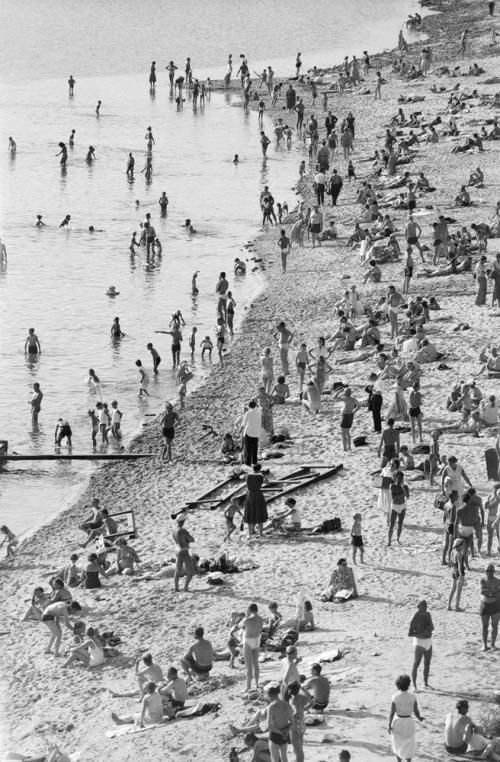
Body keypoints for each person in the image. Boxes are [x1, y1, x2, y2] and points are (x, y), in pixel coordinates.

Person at [388, 674, 424, 761]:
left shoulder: (395, 697)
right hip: (408, 721)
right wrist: (419, 718)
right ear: (408, 685)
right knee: (409, 743)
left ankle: (399, 760)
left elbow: (392, 713)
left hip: (398, 721)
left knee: (397, 742)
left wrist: (389, 725)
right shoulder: (413, 697)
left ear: (398, 685)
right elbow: (416, 711)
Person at [264, 684, 294, 762]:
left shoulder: (271, 707)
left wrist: (280, 732)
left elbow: (269, 726)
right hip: (285, 734)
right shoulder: (287, 705)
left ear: (270, 695)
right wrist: (286, 732)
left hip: (275, 735)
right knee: (284, 757)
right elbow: (292, 722)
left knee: (275, 759)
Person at [408, 601, 434, 690]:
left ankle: (425, 683)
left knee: (427, 663)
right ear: (419, 607)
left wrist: (428, 630)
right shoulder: (415, 617)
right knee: (416, 663)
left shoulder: (428, 614)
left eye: (426, 606)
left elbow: (432, 627)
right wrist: (421, 633)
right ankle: (414, 686)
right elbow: (410, 633)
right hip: (419, 642)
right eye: (424, 606)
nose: (425, 608)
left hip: (428, 641)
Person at [242, 603, 264, 691]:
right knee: (256, 663)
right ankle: (257, 684)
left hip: (248, 640)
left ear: (249, 610)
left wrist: (246, 615)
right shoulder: (261, 619)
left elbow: (239, 626)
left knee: (248, 665)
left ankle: (248, 686)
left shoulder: (247, 620)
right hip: (257, 640)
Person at [479, 563, 500, 651]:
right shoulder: (483, 580)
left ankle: (492, 644)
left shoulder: (498, 581)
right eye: (487, 571)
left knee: (494, 626)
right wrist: (492, 592)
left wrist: (489, 592)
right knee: (485, 626)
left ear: (494, 571)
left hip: (495, 605)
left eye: (490, 570)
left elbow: (499, 594)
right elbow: (482, 591)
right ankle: (484, 644)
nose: (488, 572)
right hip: (485, 605)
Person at [172, 514, 195, 592]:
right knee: (191, 572)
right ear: (183, 521)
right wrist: (187, 540)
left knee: (177, 571)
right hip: (184, 550)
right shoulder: (182, 530)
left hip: (177, 549)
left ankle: (176, 588)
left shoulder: (174, 530)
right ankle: (185, 588)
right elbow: (192, 539)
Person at [244, 464, 268, 537]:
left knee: (250, 513)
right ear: (259, 469)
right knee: (259, 512)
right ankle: (261, 533)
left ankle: (250, 533)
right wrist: (263, 475)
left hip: (250, 495)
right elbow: (267, 482)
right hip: (258, 494)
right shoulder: (260, 476)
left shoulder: (247, 475)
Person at [388, 472, 410, 546]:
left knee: (400, 524)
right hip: (395, 506)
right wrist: (402, 494)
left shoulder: (405, 487)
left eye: (401, 478)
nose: (400, 480)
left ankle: (397, 539)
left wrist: (403, 489)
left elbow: (407, 496)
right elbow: (394, 497)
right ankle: (389, 541)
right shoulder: (392, 486)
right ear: (396, 478)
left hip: (402, 506)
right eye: (399, 478)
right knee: (392, 524)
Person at [448, 538, 467, 611]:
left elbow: (450, 562)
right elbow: (460, 566)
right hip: (459, 573)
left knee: (452, 589)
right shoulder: (459, 554)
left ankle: (449, 605)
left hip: (453, 571)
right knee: (459, 591)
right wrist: (462, 576)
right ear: (460, 545)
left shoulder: (452, 551)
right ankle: (457, 607)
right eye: (462, 545)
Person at [339, 388, 359, 452]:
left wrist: (339, 391)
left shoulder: (345, 398)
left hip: (345, 415)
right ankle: (349, 447)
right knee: (348, 432)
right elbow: (359, 405)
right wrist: (354, 411)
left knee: (343, 433)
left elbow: (334, 397)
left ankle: (345, 448)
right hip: (350, 415)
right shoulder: (353, 399)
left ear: (346, 393)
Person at [242, 400, 261, 466]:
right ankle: (254, 462)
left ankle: (248, 462)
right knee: (255, 448)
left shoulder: (248, 413)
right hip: (256, 432)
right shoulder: (259, 412)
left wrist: (239, 431)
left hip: (249, 432)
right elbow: (259, 407)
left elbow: (243, 424)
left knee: (248, 448)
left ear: (249, 406)